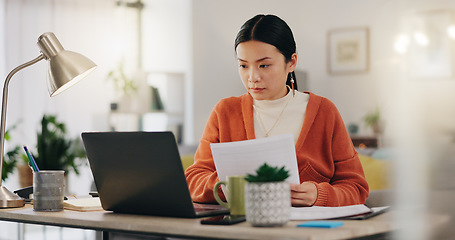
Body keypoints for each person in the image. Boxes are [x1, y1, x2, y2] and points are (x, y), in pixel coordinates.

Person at [185, 14, 369, 207]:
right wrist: (231, 186)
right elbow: (193, 180)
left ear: (291, 63)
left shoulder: (324, 112)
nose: (252, 77)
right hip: (239, 231)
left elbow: (357, 188)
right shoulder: (225, 112)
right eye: (243, 65)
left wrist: (319, 195)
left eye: (264, 65)